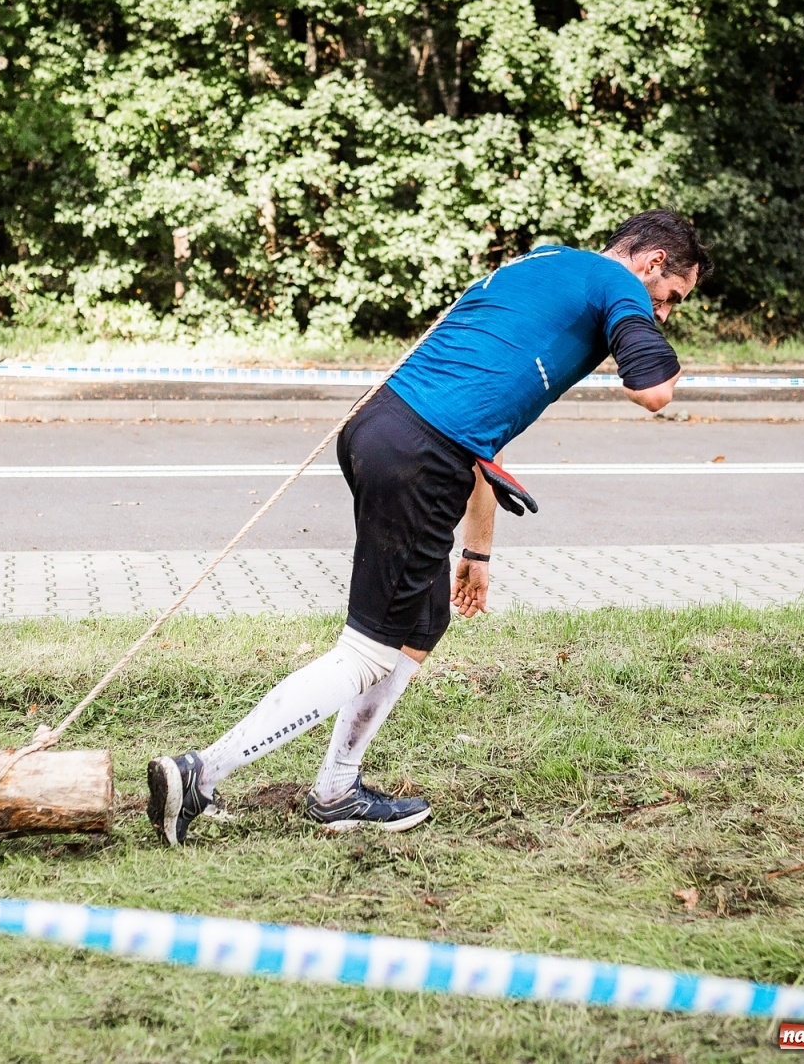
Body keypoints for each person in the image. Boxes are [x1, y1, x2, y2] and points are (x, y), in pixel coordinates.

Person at [146, 209, 711, 846]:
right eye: (671, 299)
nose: (663, 312)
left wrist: (478, 550)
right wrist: (657, 346)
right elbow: (653, 392)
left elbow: (477, 428)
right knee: (366, 650)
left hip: (383, 428)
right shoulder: (619, 285)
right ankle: (199, 774)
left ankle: (337, 786)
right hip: (421, 452)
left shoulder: (548, 263)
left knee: (421, 622)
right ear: (653, 262)